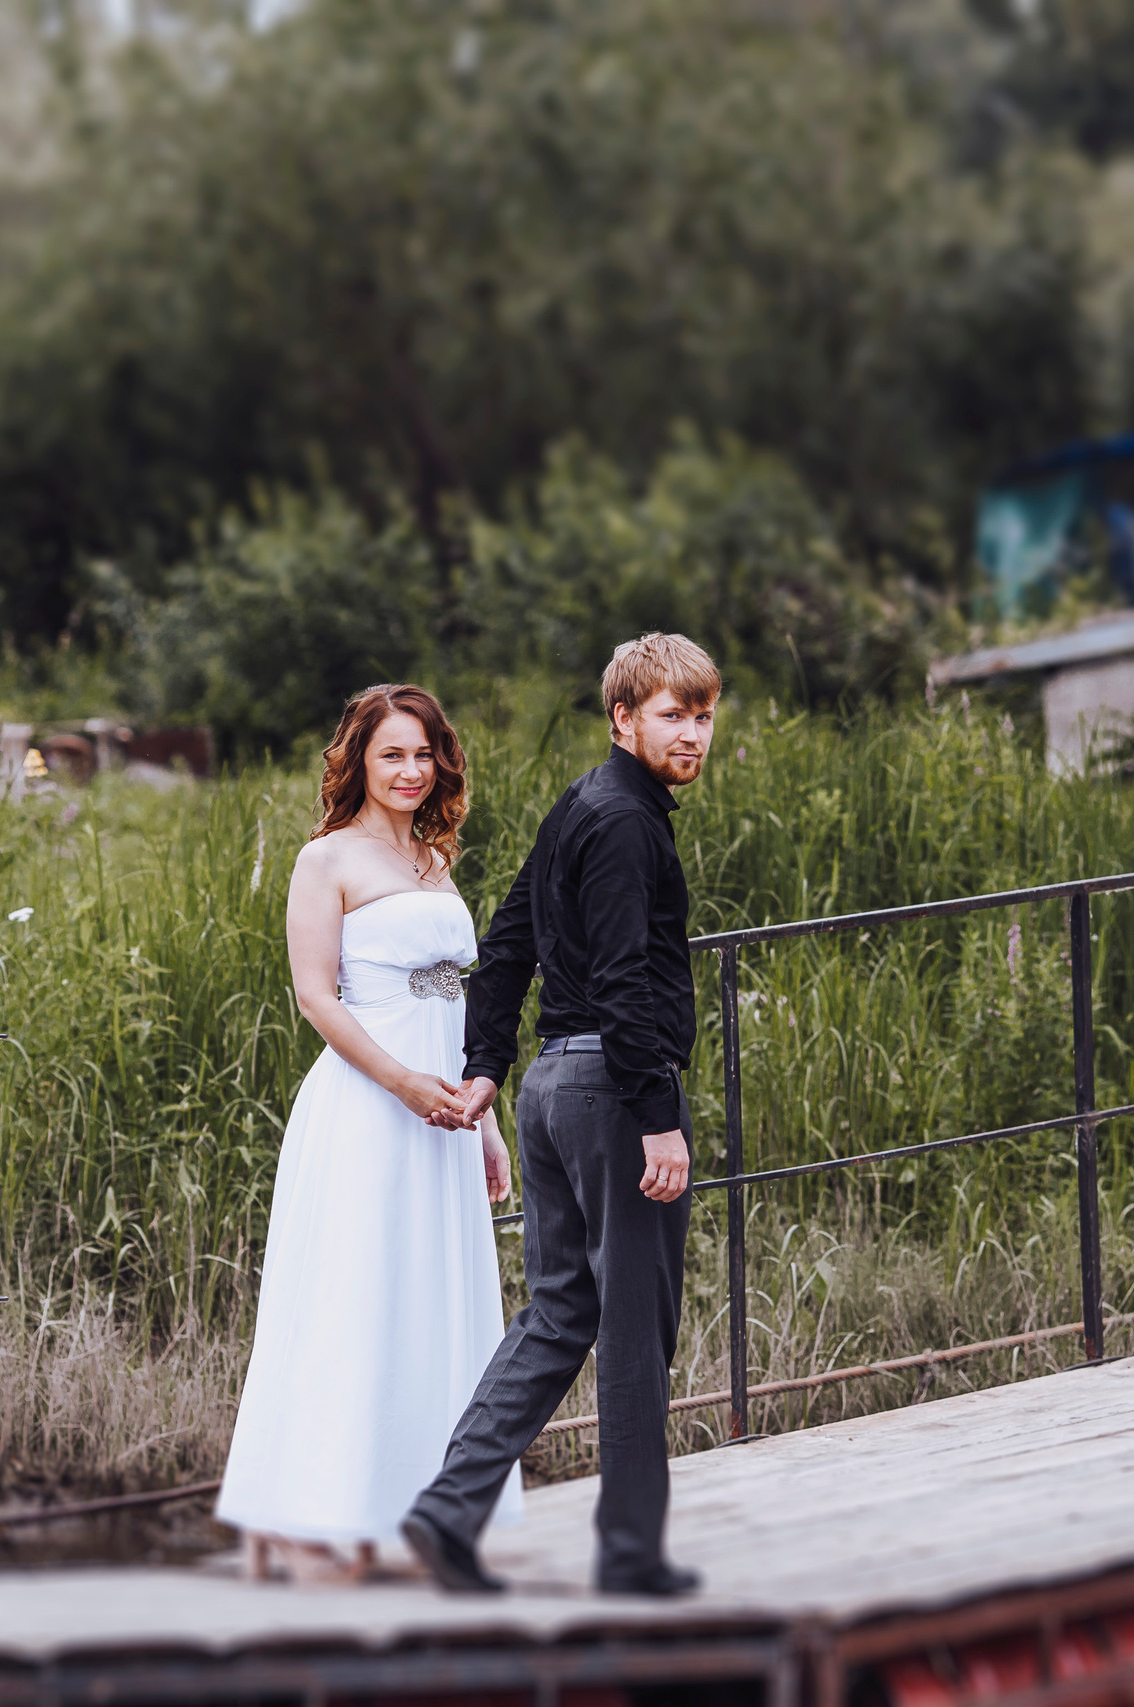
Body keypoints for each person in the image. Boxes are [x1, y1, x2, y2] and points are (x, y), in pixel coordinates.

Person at [401, 632, 718, 1599]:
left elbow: (507, 938)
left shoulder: (581, 803)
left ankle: (448, 1507)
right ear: (624, 717)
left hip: (551, 1090)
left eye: (704, 715)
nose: (694, 733)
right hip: (614, 1095)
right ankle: (628, 1554)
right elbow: (623, 976)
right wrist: (659, 1113)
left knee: (560, 1311)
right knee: (632, 1327)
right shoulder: (626, 823)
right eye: (672, 714)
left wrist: (490, 1064)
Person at [214, 683, 523, 1580]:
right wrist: (399, 1084)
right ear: (359, 760)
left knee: (429, 1301)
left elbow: (458, 1000)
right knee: (354, 1298)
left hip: (445, 1111)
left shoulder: (435, 857)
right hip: (368, 1106)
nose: (411, 770)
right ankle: (306, 1513)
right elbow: (315, 996)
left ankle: (416, 1507)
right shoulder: (327, 859)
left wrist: (483, 1118)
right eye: (392, 753)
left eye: (424, 753)